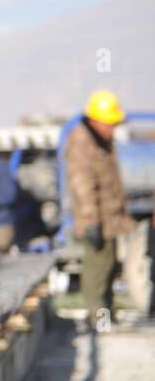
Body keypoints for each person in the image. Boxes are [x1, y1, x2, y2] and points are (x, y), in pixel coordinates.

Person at [64, 89, 137, 331]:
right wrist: (90, 221)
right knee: (97, 269)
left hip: (110, 217)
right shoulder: (81, 143)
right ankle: (99, 318)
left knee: (110, 266)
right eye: (110, 123)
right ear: (95, 120)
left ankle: (108, 312)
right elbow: (82, 185)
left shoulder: (101, 141)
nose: (113, 128)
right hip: (96, 219)